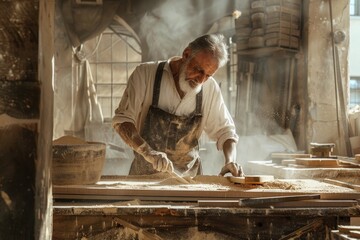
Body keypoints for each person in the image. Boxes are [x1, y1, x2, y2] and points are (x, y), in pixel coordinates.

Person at [112, 33, 243, 178]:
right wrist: (148, 152)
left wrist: (230, 161)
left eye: (208, 75)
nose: (201, 79)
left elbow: (225, 131)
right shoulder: (145, 74)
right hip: (145, 179)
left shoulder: (209, 88)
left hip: (188, 182)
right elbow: (122, 121)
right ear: (186, 54)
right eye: (198, 70)